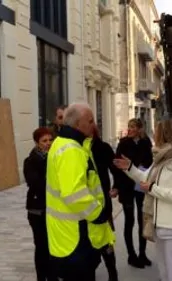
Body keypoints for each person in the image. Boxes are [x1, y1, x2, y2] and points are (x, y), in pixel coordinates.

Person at [114, 118, 172, 281]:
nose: (154, 136)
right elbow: (146, 178)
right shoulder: (161, 160)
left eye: (158, 133)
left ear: (165, 135)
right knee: (165, 275)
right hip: (159, 226)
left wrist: (153, 189)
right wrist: (130, 168)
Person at [46, 103, 115, 281]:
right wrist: (99, 214)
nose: (94, 124)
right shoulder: (71, 150)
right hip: (75, 238)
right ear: (77, 124)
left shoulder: (66, 144)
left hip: (67, 237)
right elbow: (75, 194)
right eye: (90, 121)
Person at [113, 118, 153, 268]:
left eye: (133, 127)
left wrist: (143, 167)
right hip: (126, 186)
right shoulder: (123, 143)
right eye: (129, 126)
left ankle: (142, 253)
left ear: (140, 129)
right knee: (129, 221)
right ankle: (131, 255)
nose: (130, 129)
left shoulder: (145, 142)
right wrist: (116, 186)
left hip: (141, 184)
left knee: (142, 220)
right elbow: (117, 165)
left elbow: (150, 161)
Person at [23, 127, 57, 281]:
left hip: (54, 210)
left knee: (53, 246)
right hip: (37, 211)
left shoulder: (56, 158)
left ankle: (53, 275)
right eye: (44, 141)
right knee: (42, 246)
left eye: (50, 140)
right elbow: (36, 184)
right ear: (37, 143)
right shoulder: (30, 161)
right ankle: (41, 277)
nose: (48, 143)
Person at [91, 125, 122, 281]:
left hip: (103, 202)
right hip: (83, 205)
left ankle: (112, 273)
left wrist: (116, 186)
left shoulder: (103, 147)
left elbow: (115, 169)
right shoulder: (75, 149)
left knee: (106, 241)